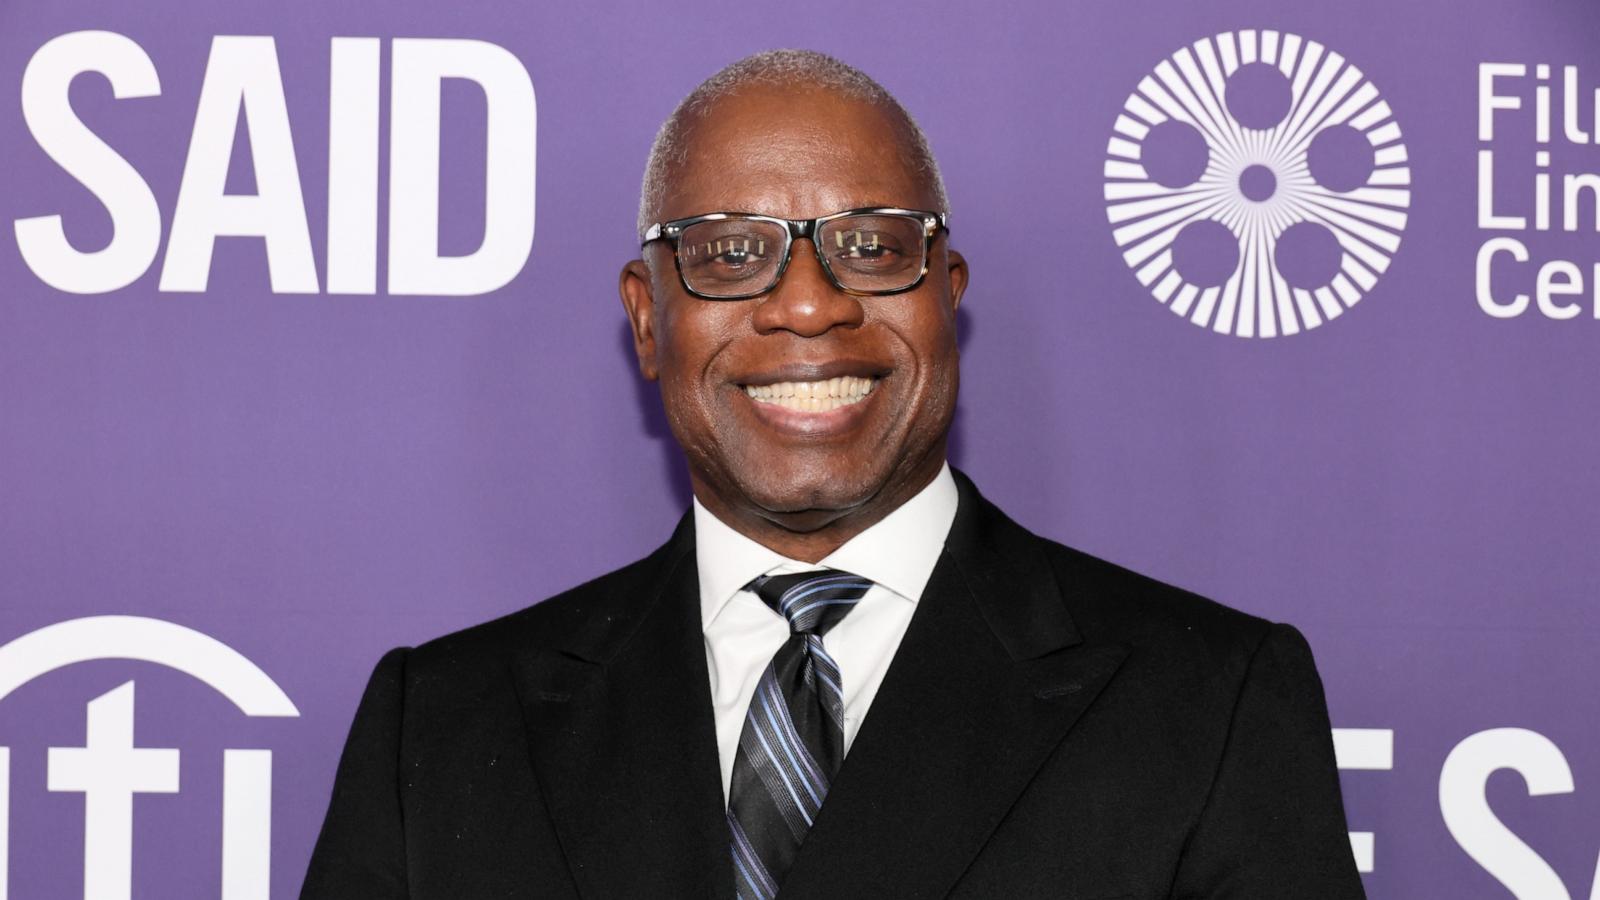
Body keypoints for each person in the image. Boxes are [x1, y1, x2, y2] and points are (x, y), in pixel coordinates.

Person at [301, 49, 1365, 899]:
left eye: (870, 244)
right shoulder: (440, 727)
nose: (808, 302)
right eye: (728, 252)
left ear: (945, 294)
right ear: (645, 318)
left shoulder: (1210, 705)